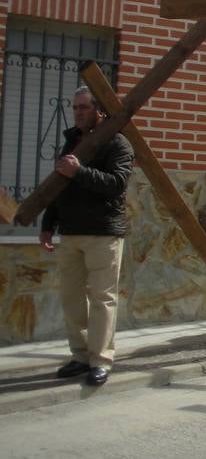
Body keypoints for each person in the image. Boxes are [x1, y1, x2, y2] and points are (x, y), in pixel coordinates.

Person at [39, 87, 134, 388]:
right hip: (71, 233)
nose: (77, 112)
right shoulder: (71, 141)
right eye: (75, 107)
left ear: (99, 110)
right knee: (71, 298)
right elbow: (59, 185)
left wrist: (79, 171)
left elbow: (116, 184)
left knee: (103, 299)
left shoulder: (118, 144)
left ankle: (100, 360)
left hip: (103, 234)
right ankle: (80, 356)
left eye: (83, 107)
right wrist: (47, 224)